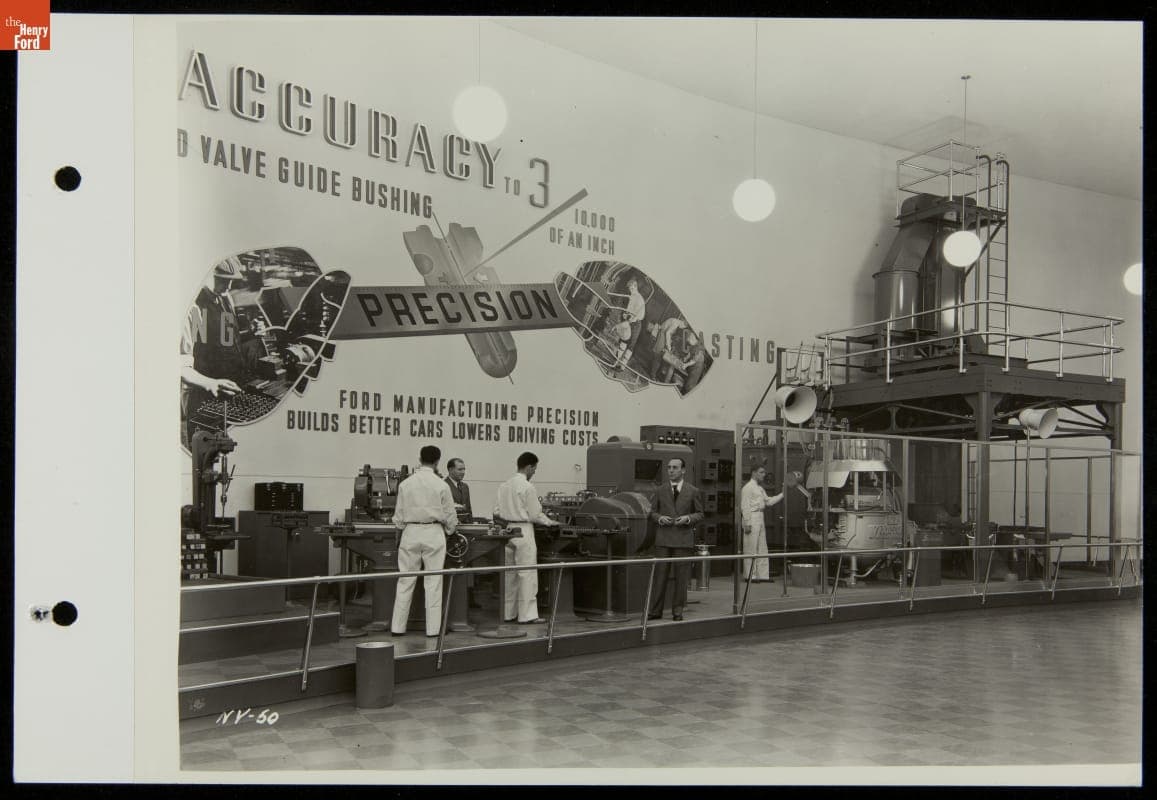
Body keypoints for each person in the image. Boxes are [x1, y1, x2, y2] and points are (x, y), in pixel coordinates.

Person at [389, 444, 458, 637]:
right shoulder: (442, 485)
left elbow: (399, 516)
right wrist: (450, 529)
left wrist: (400, 532)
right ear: (438, 462)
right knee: (433, 582)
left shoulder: (405, 484)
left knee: (405, 581)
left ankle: (397, 627)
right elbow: (450, 515)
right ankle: (433, 630)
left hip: (410, 532)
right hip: (434, 532)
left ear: (419, 459)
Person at [493, 452, 559, 624]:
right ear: (529, 467)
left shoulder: (504, 485)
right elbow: (535, 514)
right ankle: (527, 615)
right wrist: (549, 522)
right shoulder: (527, 487)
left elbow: (497, 511)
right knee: (527, 573)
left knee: (510, 574)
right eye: (535, 468)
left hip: (508, 531)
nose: (534, 472)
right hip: (523, 530)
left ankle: (508, 613)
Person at [648, 457, 705, 621]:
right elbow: (651, 512)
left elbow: (700, 514)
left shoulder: (693, 491)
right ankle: (655, 611)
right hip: (663, 539)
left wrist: (687, 518)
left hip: (683, 540)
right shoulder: (660, 490)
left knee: (681, 578)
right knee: (660, 577)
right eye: (669, 468)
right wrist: (659, 518)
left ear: (683, 470)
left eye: (674, 467)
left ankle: (677, 611)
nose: (671, 470)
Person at [740, 466, 784, 582]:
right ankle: (750, 576)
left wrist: (783, 494)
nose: (764, 474)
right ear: (754, 473)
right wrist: (747, 523)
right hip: (752, 517)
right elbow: (745, 506)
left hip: (760, 516)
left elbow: (768, 502)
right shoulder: (747, 488)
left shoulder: (759, 488)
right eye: (761, 472)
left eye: (764, 472)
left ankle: (762, 575)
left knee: (762, 547)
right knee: (751, 547)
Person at [445, 458, 473, 522]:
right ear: (450, 470)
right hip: (451, 525)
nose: (463, 472)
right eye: (460, 469)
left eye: (464, 469)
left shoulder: (465, 487)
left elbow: (469, 510)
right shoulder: (443, 486)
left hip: (466, 527)